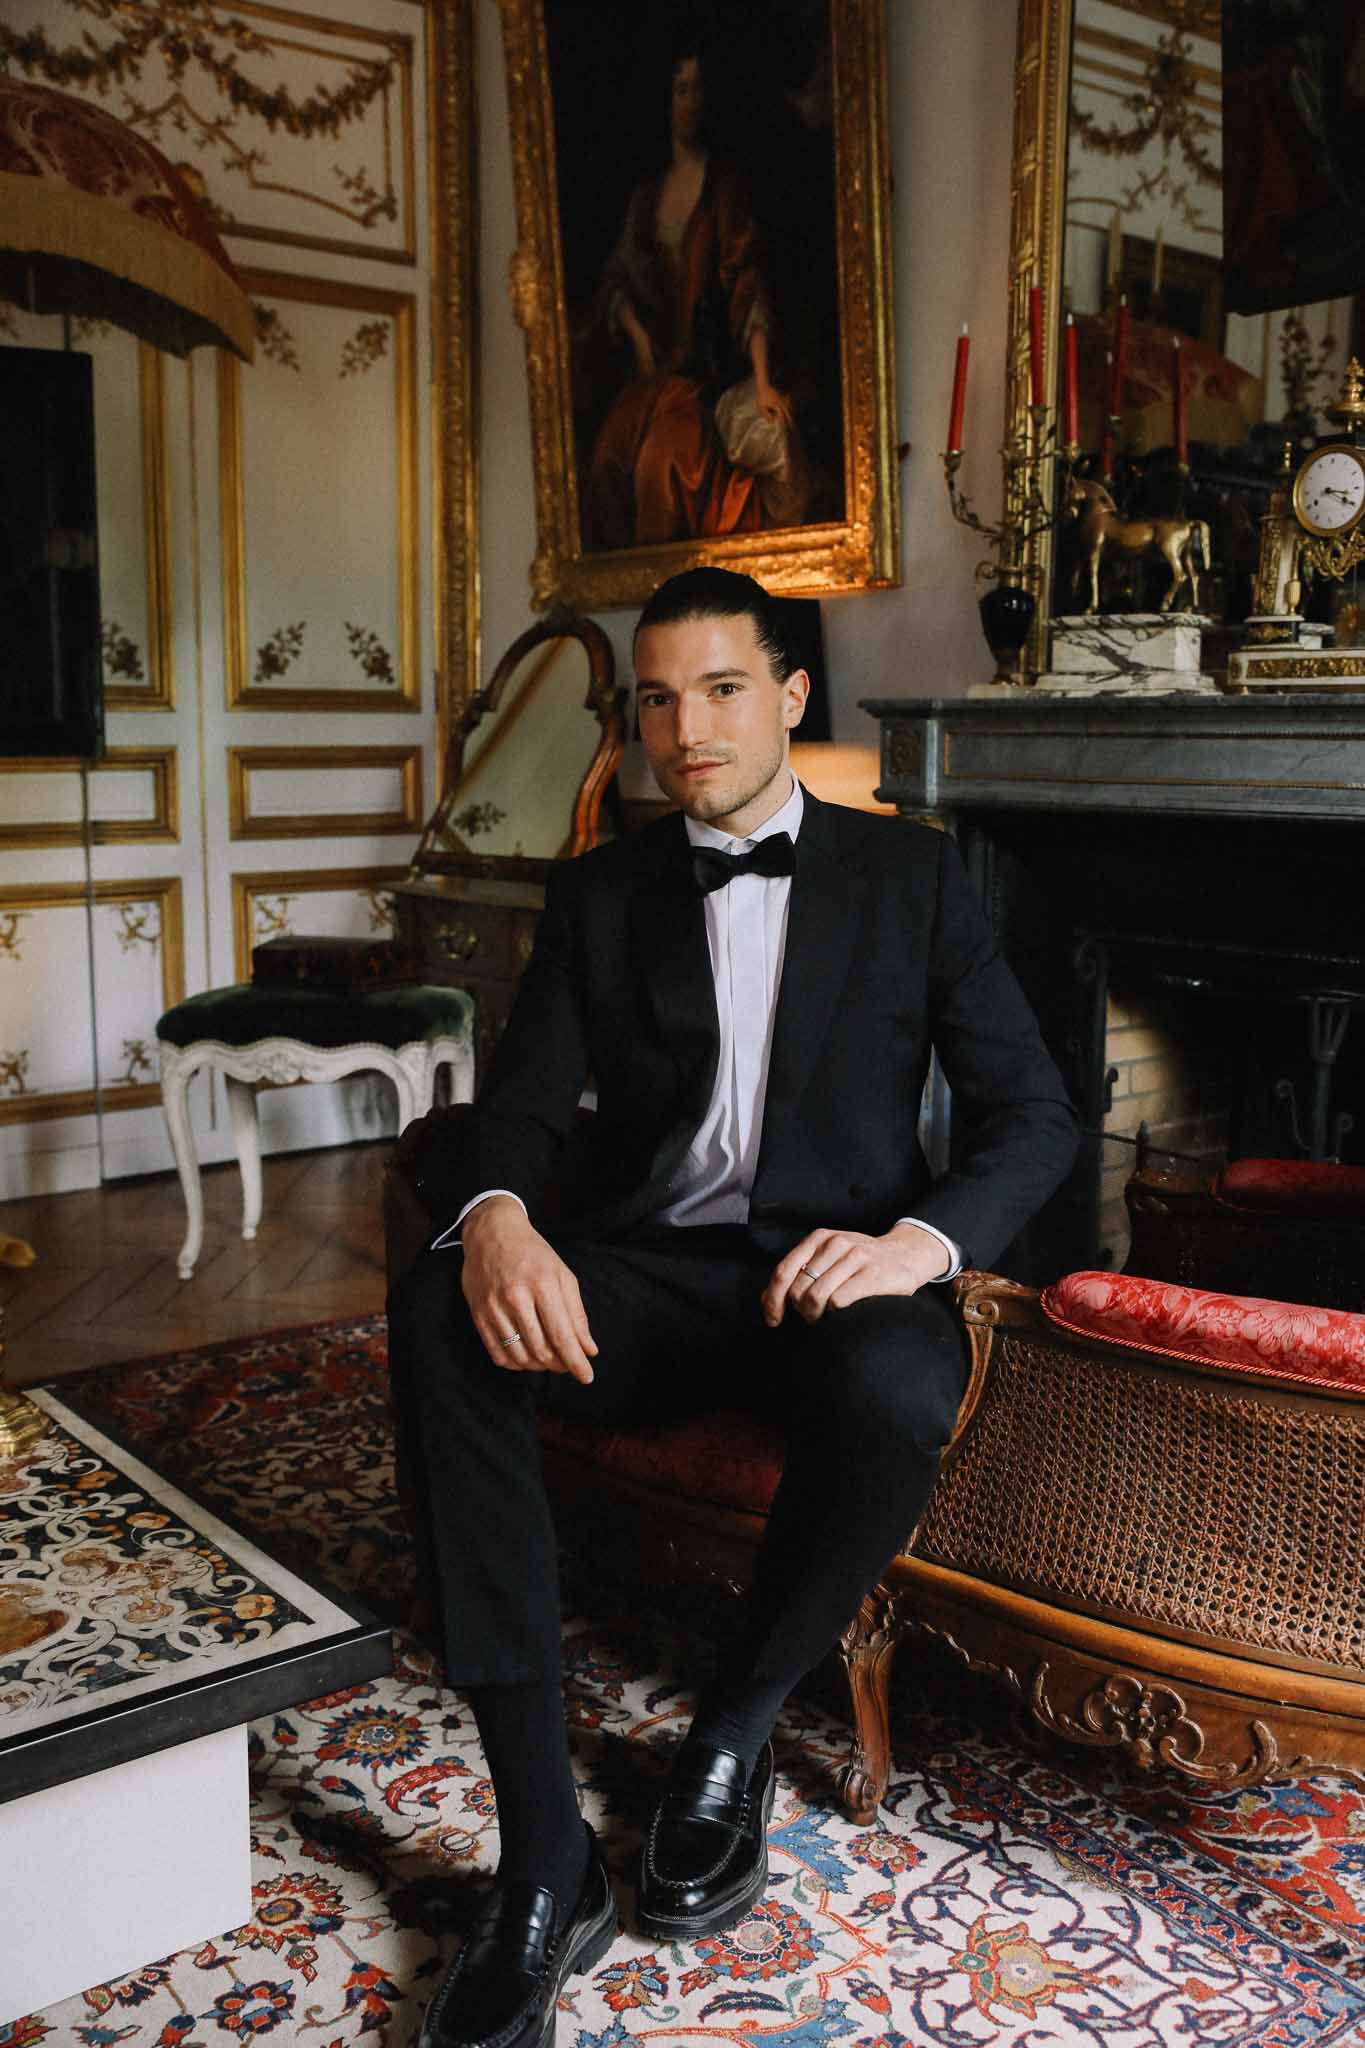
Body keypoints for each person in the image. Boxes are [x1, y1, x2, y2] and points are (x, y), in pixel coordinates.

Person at [389, 567, 1078, 2048]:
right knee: (447, 1305)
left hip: (833, 1274)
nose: (685, 729)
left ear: (789, 695)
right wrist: (496, 1216)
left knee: (900, 1387)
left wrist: (915, 1244)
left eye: (719, 690)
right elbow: (517, 1112)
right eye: (657, 699)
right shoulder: (600, 892)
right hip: (652, 1272)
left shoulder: (914, 876)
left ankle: (736, 1725)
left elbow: (1034, 1113)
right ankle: (543, 1850)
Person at [584, 44, 808, 549]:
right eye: (681, 90)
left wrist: (763, 381)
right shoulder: (646, 198)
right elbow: (618, 276)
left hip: (705, 377)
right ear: (665, 102)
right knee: (605, 463)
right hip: (655, 375)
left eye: (699, 89)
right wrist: (638, 338)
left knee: (661, 468)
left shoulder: (724, 189)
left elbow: (748, 282)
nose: (692, 101)